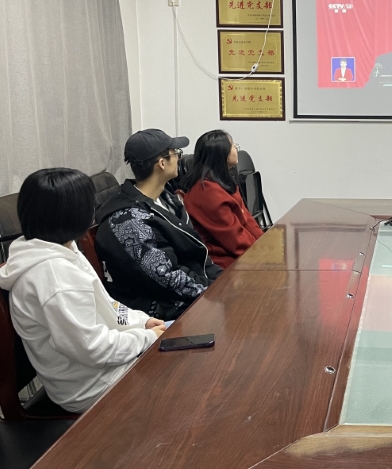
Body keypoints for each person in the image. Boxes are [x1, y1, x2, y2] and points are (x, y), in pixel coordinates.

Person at [0, 168, 165, 413]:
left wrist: (142, 322)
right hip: (93, 388)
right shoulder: (54, 277)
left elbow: (107, 306)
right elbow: (94, 348)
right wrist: (146, 338)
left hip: (106, 368)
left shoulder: (59, 248)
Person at [95, 129, 222, 320]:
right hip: (163, 312)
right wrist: (217, 289)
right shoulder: (128, 221)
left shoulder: (165, 197)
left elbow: (194, 253)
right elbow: (167, 277)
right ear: (162, 163)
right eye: (175, 153)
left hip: (193, 293)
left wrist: (223, 278)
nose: (179, 158)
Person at [181, 131, 263, 269]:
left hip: (242, 255)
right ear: (221, 154)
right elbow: (235, 239)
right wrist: (262, 255)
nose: (236, 148)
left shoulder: (222, 183)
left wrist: (264, 244)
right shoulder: (207, 192)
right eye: (232, 145)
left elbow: (248, 221)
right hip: (225, 263)